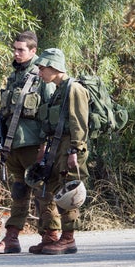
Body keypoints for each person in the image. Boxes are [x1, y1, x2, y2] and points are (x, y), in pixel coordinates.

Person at [0, 31, 56, 254]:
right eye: (15, 49)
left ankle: (50, 236)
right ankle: (12, 237)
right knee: (19, 191)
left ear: (33, 50)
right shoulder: (14, 76)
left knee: (42, 192)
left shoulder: (42, 76)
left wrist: (45, 146)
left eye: (21, 50)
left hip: (33, 144)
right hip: (13, 144)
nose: (16, 53)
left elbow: (50, 113)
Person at [31, 48, 90, 255]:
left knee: (69, 190)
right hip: (57, 147)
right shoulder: (58, 90)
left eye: (42, 68)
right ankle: (52, 236)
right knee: (53, 188)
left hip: (70, 148)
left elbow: (79, 123)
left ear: (54, 66)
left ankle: (68, 238)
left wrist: (75, 150)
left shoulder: (74, 89)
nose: (40, 73)